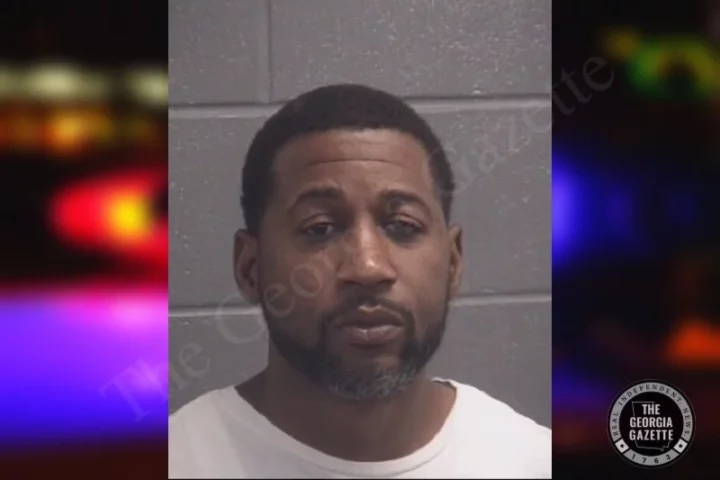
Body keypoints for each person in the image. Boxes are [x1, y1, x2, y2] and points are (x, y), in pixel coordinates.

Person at [169, 84, 551, 478]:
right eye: (320, 228)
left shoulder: (532, 463)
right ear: (251, 268)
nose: (368, 267)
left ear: (453, 263)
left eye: (403, 226)